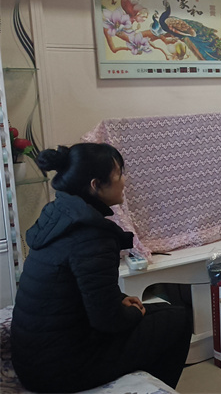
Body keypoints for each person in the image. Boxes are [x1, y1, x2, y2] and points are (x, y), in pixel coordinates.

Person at [11, 143, 192, 393]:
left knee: (165, 311)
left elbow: (79, 286)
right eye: (119, 175)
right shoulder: (92, 236)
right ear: (96, 185)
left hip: (32, 359)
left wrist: (119, 299)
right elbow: (108, 320)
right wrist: (133, 313)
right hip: (57, 370)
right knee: (179, 319)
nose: (124, 181)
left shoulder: (59, 215)